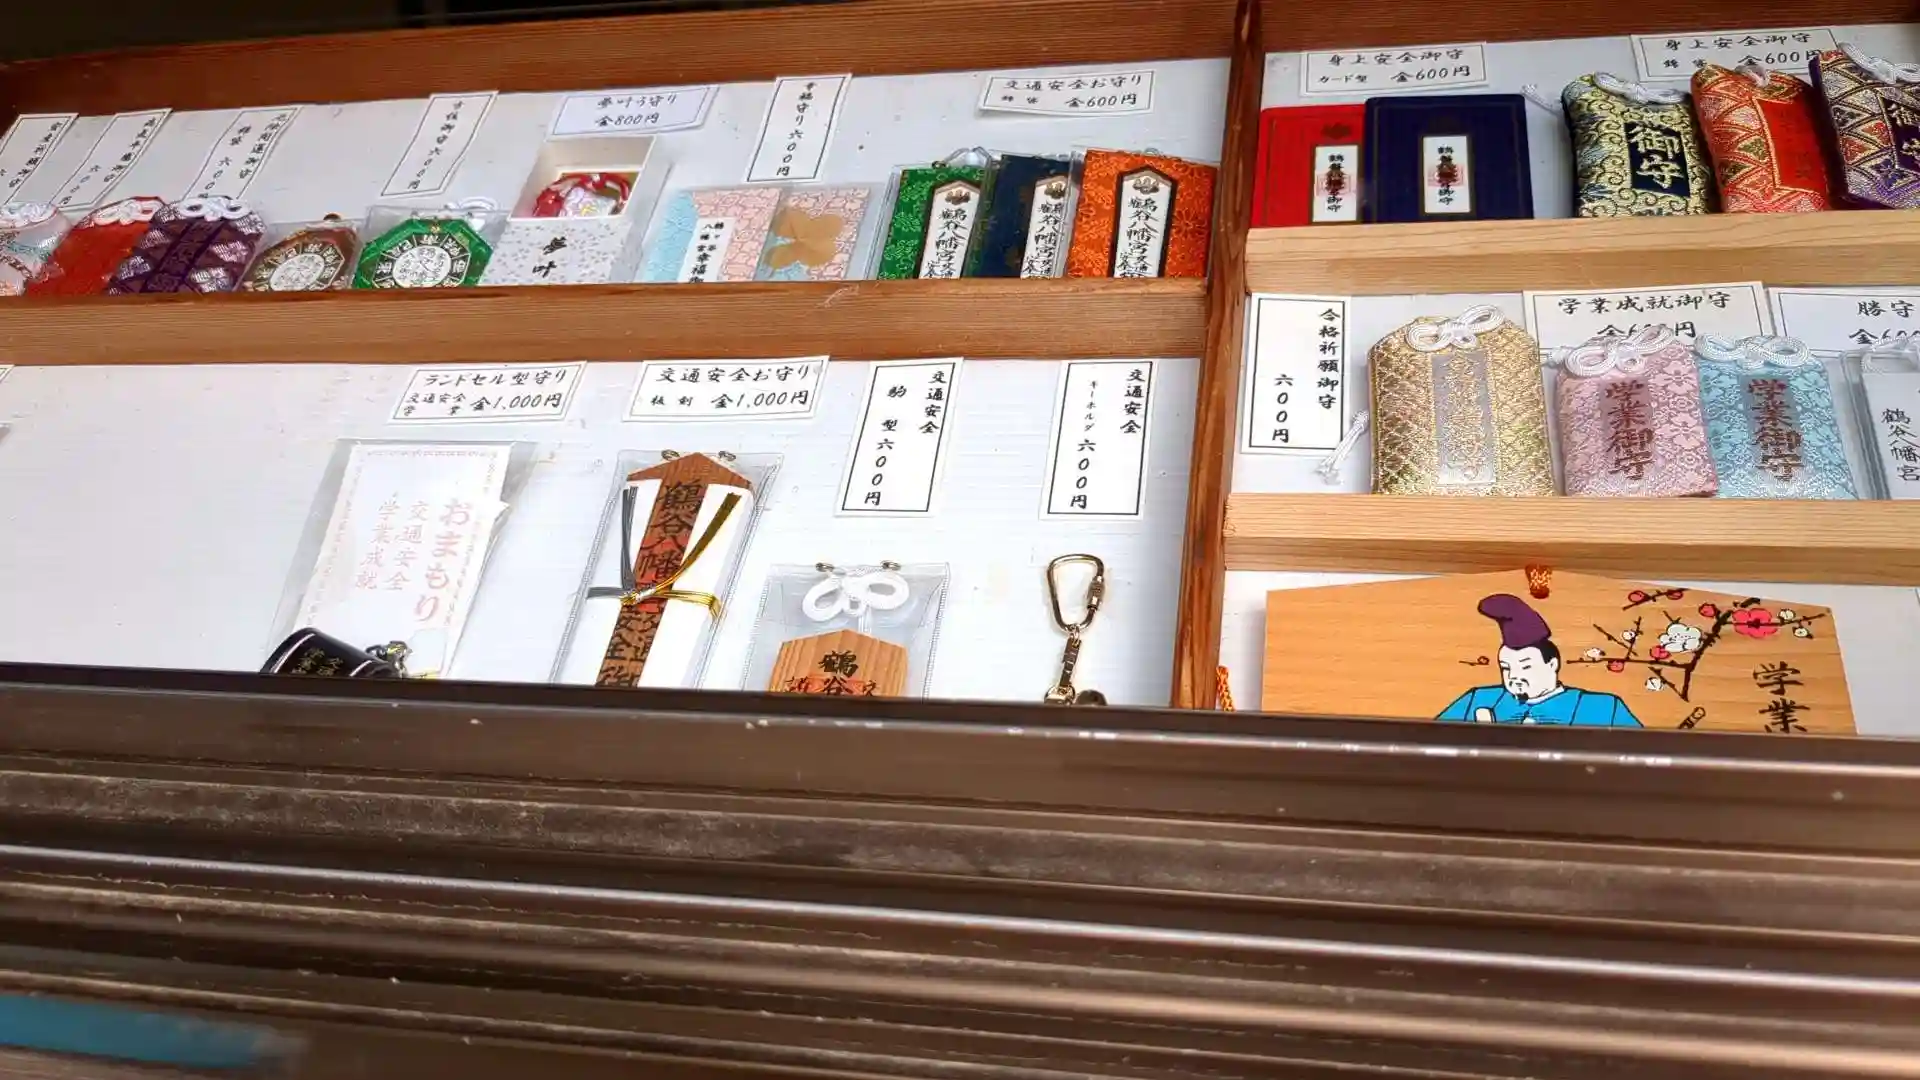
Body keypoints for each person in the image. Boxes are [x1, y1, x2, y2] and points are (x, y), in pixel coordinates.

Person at [1437, 593, 1642, 727]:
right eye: (1506, 668)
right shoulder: (1478, 700)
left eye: (1526, 666)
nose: (1514, 676)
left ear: (1552, 664)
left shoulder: (1603, 707)